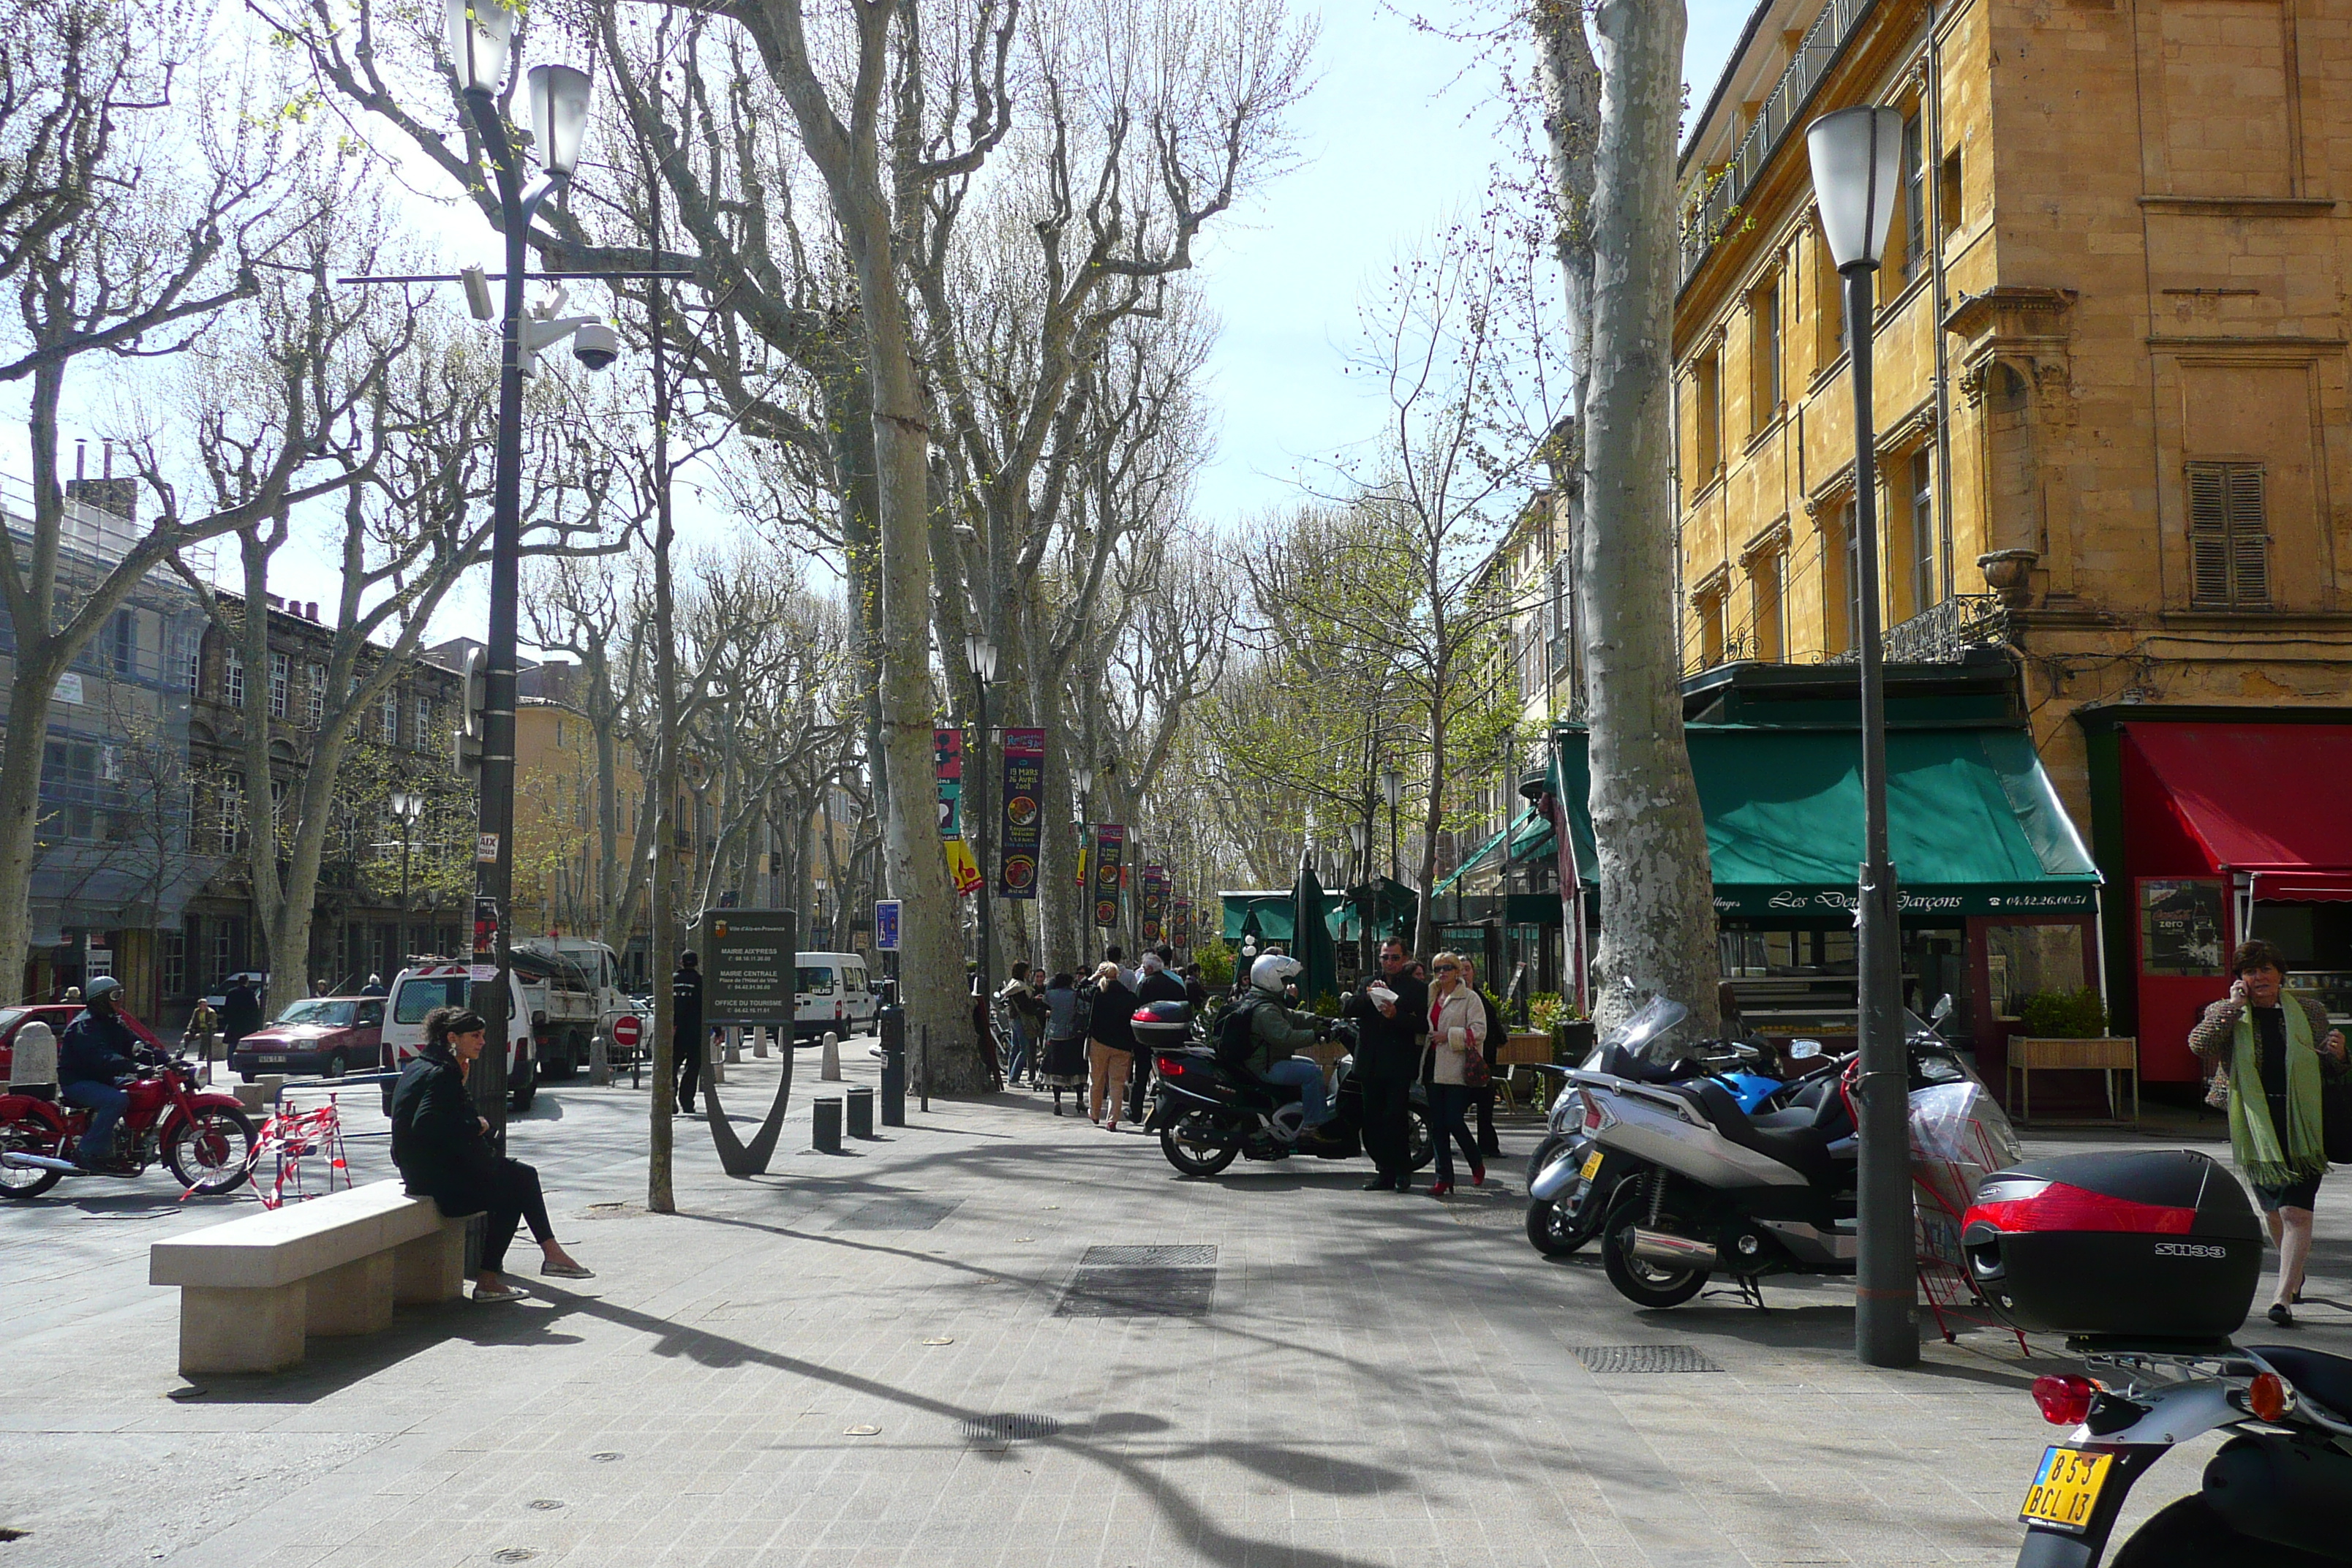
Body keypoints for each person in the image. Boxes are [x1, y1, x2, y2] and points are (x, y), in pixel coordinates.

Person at [2189, 938, 2348, 1326]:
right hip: (2255, 1124)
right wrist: (2233, 1007)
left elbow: (2329, 1069)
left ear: (2280, 974)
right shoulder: (2227, 1012)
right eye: (2250, 971)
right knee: (2272, 1209)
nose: (2259, 977)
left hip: (2303, 1120)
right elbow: (2199, 1045)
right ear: (2240, 979)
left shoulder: (2308, 1011)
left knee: (2295, 1209)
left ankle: (2282, 1298)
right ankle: (2294, 1274)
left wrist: (2339, 1054)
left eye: (2266, 970)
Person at [390, 1006, 592, 1300]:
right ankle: (531, 1262)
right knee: (521, 1181)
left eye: (483, 1035)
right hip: (437, 1181)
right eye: (475, 1035)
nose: (482, 1042)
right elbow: (428, 1123)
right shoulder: (443, 1072)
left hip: (421, 1172)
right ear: (452, 1038)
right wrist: (477, 1124)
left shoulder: (423, 1065)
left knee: (517, 1183)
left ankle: (501, 1275)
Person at [1343, 938, 1429, 1192]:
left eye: (1394, 957)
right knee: (1372, 1121)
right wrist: (1370, 996)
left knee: (1396, 1119)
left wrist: (1396, 1015)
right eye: (1385, 957)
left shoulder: (1415, 988)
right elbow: (1349, 1008)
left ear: (1404, 959)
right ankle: (1383, 1172)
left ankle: (1403, 1171)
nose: (1389, 962)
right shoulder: (1368, 982)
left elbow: (1424, 1024)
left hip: (1398, 1064)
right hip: (1370, 1063)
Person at [1232, 953, 1335, 1139]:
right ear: (1270, 979)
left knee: (1310, 1064)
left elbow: (1292, 1017)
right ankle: (1313, 1126)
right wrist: (1317, 1036)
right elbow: (1285, 1037)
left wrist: (1321, 1020)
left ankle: (1298, 1112)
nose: (1286, 984)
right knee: (1312, 1074)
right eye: (1283, 979)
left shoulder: (1265, 1001)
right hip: (1265, 1066)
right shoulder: (1265, 1009)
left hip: (1269, 1059)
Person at [58, 976, 142, 1172]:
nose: (119, 1000)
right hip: (78, 1081)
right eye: (114, 995)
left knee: (139, 1089)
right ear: (100, 999)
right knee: (116, 1101)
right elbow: (100, 1056)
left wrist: (169, 1060)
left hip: (102, 1078)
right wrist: (134, 1066)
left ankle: (124, 1144)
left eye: (120, 994)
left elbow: (138, 1045)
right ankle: (86, 1151)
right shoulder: (85, 1026)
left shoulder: (113, 1023)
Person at [1423, 952, 1488, 1196]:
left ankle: (1476, 1161)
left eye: (1448, 968)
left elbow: (1479, 1031)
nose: (1442, 972)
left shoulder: (1470, 999)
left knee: (1453, 1120)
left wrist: (1448, 1036)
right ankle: (1443, 1178)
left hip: (1458, 1069)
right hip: (1432, 1068)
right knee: (1437, 1126)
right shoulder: (1432, 996)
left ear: (1458, 971)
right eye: (1438, 968)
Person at [1128, 951, 1190, 1120]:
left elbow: (1136, 1008)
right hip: (1170, 1038)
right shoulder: (1175, 984)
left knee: (1140, 1076)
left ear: (1149, 968)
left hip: (1146, 1037)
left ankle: (1135, 1112)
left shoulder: (1145, 984)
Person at [1460, 956, 1507, 1158]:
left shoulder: (1480, 997)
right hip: (1464, 1060)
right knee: (1458, 1108)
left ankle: (1488, 1146)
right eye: (1460, 969)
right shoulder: (1457, 998)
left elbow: (1492, 1024)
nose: (1464, 973)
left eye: (1467, 969)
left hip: (1485, 1061)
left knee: (1485, 1106)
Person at [1083, 961, 1139, 1130]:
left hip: (1099, 1042)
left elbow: (1079, 991)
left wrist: (1092, 978)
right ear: (1118, 975)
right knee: (1117, 1083)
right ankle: (1112, 1119)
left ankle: (1094, 1112)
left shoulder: (1096, 994)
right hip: (1122, 1045)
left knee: (1096, 1079)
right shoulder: (1129, 996)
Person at [997, 969, 1046, 1087]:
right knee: (1024, 1049)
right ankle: (1014, 1078)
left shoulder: (1013, 985)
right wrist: (1036, 1004)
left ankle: (1011, 1077)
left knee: (1015, 1048)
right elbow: (1025, 1006)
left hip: (1014, 1019)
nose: (1028, 974)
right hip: (1022, 1020)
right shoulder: (1020, 987)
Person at [671, 950, 705, 1116]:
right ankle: (687, 1102)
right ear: (697, 963)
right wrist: (718, 1031)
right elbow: (705, 1007)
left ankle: (670, 1095)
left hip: (673, 1031)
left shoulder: (671, 980)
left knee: (671, 1067)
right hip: (694, 1031)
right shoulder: (700, 981)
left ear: (681, 962)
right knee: (692, 1069)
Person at [220, 974, 262, 1054]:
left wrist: (227, 1020)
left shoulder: (231, 992)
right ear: (247, 982)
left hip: (234, 1023)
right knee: (246, 1045)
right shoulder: (250, 993)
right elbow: (255, 1009)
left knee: (232, 1045)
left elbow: (227, 1008)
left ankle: (231, 1064)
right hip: (246, 1024)